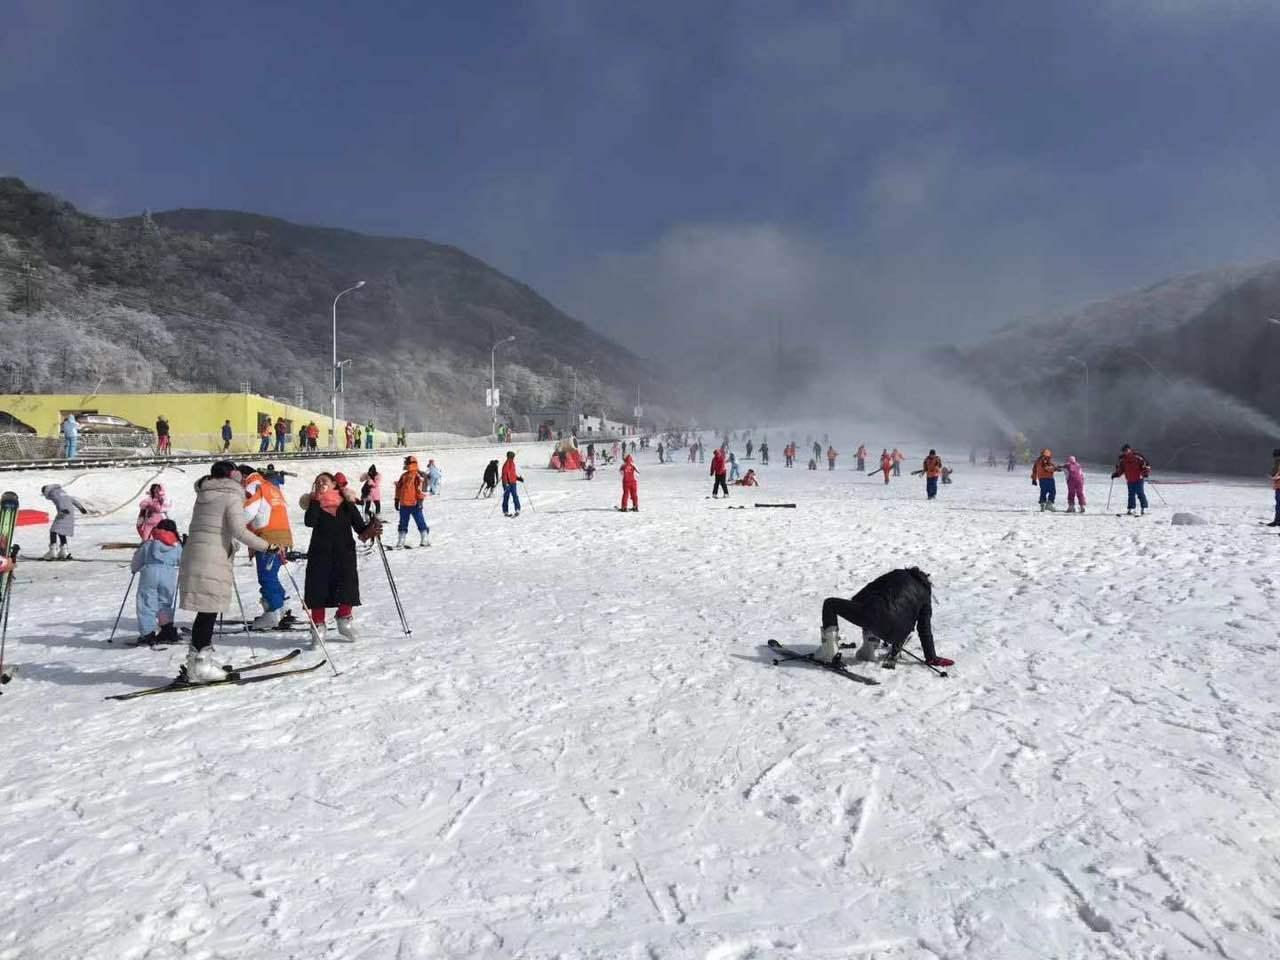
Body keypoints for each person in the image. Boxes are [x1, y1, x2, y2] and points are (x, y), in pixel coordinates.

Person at [178, 461, 284, 682]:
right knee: (208, 611)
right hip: (213, 556)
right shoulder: (231, 495)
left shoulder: (204, 493)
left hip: (196, 554)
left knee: (205, 611)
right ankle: (200, 667)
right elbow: (238, 529)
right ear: (234, 476)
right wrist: (267, 545)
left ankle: (198, 661)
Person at [815, 567, 953, 669]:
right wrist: (931, 657)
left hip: (872, 615)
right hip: (897, 635)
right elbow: (924, 628)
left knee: (830, 604)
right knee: (886, 614)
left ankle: (830, 653)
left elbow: (870, 589)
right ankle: (869, 650)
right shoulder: (925, 597)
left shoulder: (898, 574)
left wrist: (855, 606)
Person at [300, 472, 379, 642]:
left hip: (344, 554)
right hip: (320, 554)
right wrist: (316, 499)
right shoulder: (315, 504)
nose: (321, 483)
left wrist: (372, 527)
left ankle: (344, 620)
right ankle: (318, 626)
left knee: (347, 588)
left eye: (325, 480)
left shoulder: (346, 504)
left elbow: (360, 528)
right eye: (318, 481)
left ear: (335, 484)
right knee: (318, 590)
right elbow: (310, 522)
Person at [239, 463, 294, 628]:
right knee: (272, 575)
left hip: (268, 536)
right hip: (282, 534)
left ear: (243, 476)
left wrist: (233, 522)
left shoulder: (254, 485)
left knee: (266, 577)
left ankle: (272, 613)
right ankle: (282, 608)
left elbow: (249, 511)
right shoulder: (270, 486)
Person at [131, 518, 182, 645]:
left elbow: (137, 560)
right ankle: (167, 629)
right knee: (165, 602)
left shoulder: (149, 544)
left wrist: (134, 569)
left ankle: (147, 633)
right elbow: (183, 560)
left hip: (150, 572)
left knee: (146, 603)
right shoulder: (176, 546)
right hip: (169, 573)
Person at [41, 483, 88, 559]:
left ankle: (52, 551)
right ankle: (64, 551)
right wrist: (81, 508)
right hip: (70, 512)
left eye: (43, 494)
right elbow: (73, 500)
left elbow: (59, 500)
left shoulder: (53, 493)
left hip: (64, 512)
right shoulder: (61, 491)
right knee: (61, 530)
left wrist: (63, 510)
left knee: (53, 530)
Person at [394, 455, 431, 545]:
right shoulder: (404, 475)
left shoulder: (418, 475)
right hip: (404, 504)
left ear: (411, 463)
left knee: (420, 521)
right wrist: (397, 499)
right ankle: (401, 540)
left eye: (406, 463)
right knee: (403, 522)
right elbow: (398, 488)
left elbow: (421, 489)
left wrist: (420, 500)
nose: (405, 464)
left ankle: (424, 538)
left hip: (415, 503)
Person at [1112, 444, 1151, 516]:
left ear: (1130, 449)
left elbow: (1146, 465)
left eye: (1126, 450)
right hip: (1130, 479)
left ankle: (1144, 508)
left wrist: (1146, 472)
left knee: (1140, 493)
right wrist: (1116, 474)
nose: (1125, 452)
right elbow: (1121, 469)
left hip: (1139, 478)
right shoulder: (1123, 459)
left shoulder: (1137, 456)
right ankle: (1131, 508)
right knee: (1131, 494)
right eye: (1124, 451)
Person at [501, 451, 523, 517]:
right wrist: (506, 483)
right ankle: (505, 511)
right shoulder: (506, 464)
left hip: (513, 483)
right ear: (509, 457)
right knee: (506, 497)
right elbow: (504, 475)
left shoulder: (513, 463)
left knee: (515, 496)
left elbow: (513, 474)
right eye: (512, 457)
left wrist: (518, 478)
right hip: (507, 484)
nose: (513, 458)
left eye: (513, 457)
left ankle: (517, 509)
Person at [1269, 448, 1280, 527]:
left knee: (1278, 504)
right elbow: (1273, 473)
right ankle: (1277, 520)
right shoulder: (1276, 463)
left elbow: (1274, 474)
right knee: (1278, 504)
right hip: (1278, 486)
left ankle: (1277, 520)